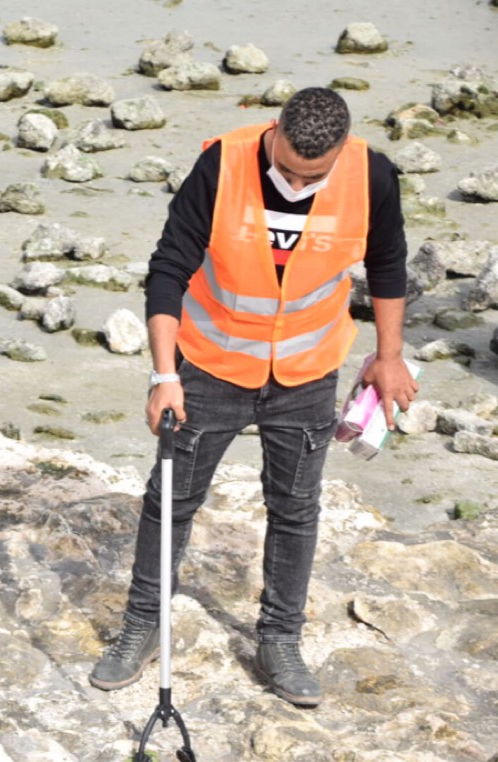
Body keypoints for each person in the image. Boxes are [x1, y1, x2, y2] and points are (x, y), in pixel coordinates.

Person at [89, 87, 419, 706]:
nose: (296, 184)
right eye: (286, 168)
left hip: (307, 372)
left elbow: (388, 264)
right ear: (275, 131)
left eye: (312, 177)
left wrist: (389, 356)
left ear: (341, 150)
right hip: (211, 366)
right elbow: (168, 268)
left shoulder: (371, 175)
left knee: (295, 508)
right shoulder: (222, 163)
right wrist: (164, 375)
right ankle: (141, 625)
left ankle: (280, 640)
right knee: (171, 501)